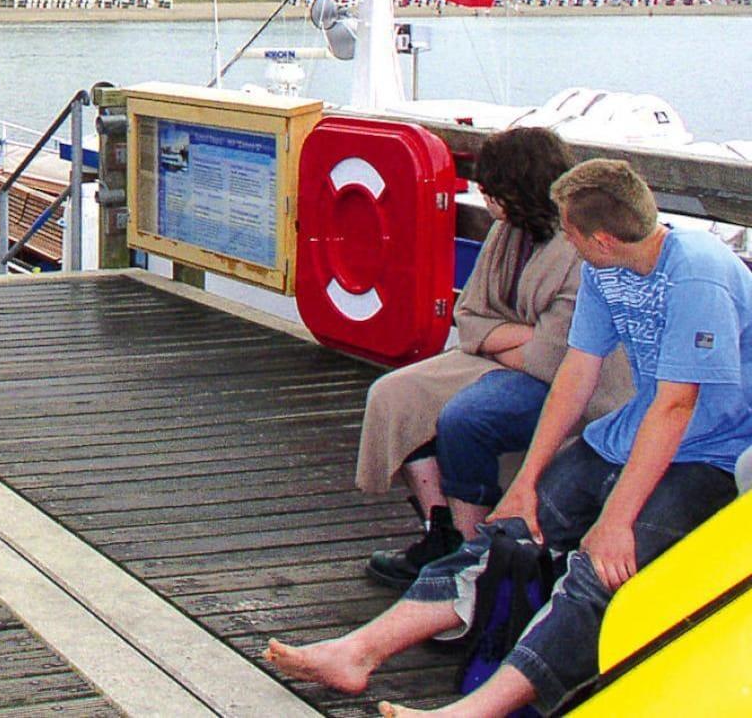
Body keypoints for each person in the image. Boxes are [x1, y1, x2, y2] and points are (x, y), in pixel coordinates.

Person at [266, 158, 752, 717]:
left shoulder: (697, 273)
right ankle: (356, 653)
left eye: (569, 231)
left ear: (600, 238)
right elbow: (576, 373)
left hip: (711, 456)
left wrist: (617, 520)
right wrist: (525, 483)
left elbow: (676, 406)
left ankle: (472, 713)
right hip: (627, 435)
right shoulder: (605, 269)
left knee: (599, 573)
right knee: (505, 534)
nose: (564, 240)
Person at [356, 128, 631, 587]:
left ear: (519, 188)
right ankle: (440, 528)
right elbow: (470, 316)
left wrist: (497, 339)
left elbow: (555, 357)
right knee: (394, 394)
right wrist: (515, 339)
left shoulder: (575, 246)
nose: (485, 199)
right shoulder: (508, 233)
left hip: (576, 385)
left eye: (492, 190)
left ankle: (471, 556)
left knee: (467, 418)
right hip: (503, 359)